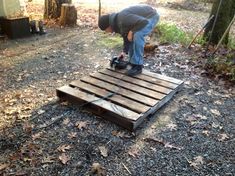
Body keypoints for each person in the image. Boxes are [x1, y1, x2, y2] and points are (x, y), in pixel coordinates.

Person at [98, 4, 160, 76]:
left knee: (137, 34)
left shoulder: (123, 18)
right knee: (131, 36)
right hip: (142, 19)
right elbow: (126, 37)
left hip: (151, 16)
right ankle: (132, 62)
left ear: (108, 25)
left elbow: (144, 22)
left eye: (106, 30)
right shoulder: (118, 23)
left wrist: (131, 31)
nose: (107, 32)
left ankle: (138, 66)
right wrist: (124, 52)